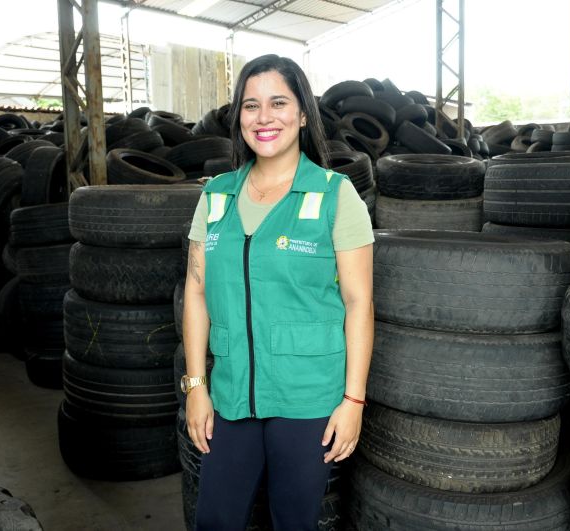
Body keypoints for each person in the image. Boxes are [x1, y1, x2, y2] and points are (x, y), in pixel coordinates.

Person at [182, 53, 374, 531]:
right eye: (250, 106)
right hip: (231, 396)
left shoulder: (335, 194)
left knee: (294, 521)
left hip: (308, 398)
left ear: (303, 113)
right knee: (214, 520)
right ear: (238, 118)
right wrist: (195, 387)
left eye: (278, 102)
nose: (263, 117)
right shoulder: (216, 196)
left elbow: (359, 303)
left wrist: (353, 402)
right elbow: (196, 292)